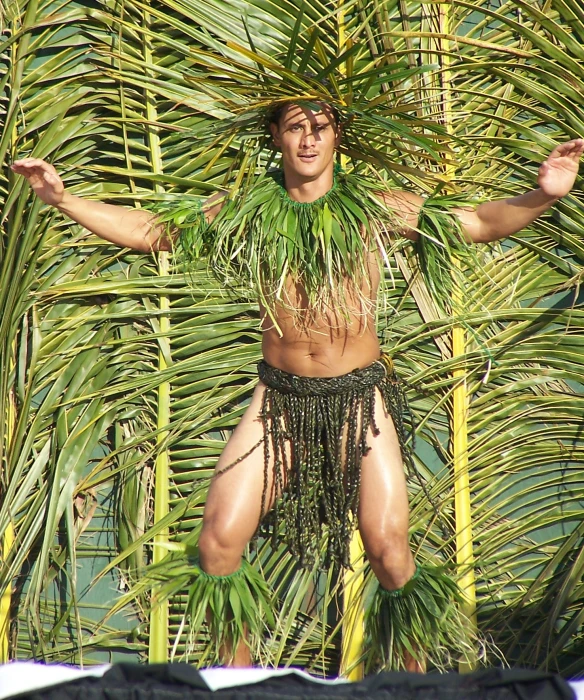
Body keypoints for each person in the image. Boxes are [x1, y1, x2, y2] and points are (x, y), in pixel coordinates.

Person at [12, 104, 583, 671]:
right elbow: (150, 231)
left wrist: (545, 196)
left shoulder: (374, 209)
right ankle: (243, 684)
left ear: (338, 137)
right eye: (295, 128)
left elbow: (477, 224)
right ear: (276, 138)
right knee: (217, 544)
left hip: (359, 398)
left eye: (321, 128)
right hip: (279, 400)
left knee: (389, 552)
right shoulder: (244, 211)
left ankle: (411, 688)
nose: (308, 141)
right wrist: (63, 198)